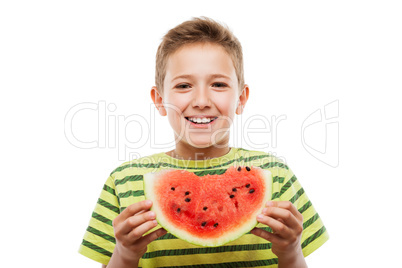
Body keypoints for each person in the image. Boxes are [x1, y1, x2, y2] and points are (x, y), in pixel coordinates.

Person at [78, 16, 329, 267]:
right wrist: (124, 253)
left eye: (218, 84)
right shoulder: (123, 181)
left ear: (241, 99)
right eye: (184, 85)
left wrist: (292, 251)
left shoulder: (276, 175)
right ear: (159, 99)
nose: (201, 100)